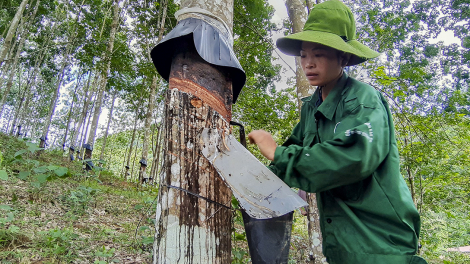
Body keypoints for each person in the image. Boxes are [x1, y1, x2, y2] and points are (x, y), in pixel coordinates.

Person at [247, 1, 427, 263]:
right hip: (340, 244)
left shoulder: (363, 100)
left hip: (379, 242)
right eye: (304, 55)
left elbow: (355, 156)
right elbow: (290, 160)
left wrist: (278, 153)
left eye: (318, 54)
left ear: (342, 57)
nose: (308, 63)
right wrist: (250, 179)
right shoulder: (312, 106)